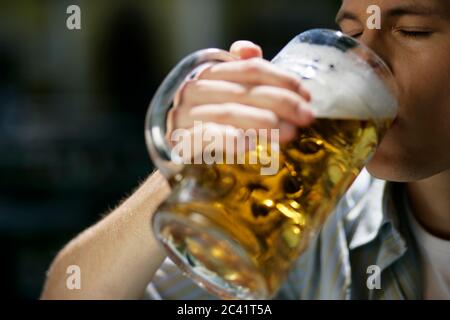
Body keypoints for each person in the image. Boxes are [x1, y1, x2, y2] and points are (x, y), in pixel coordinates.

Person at [41, 0, 450, 300]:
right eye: (353, 34)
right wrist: (184, 174)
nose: (366, 61)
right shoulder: (314, 217)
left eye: (412, 30)